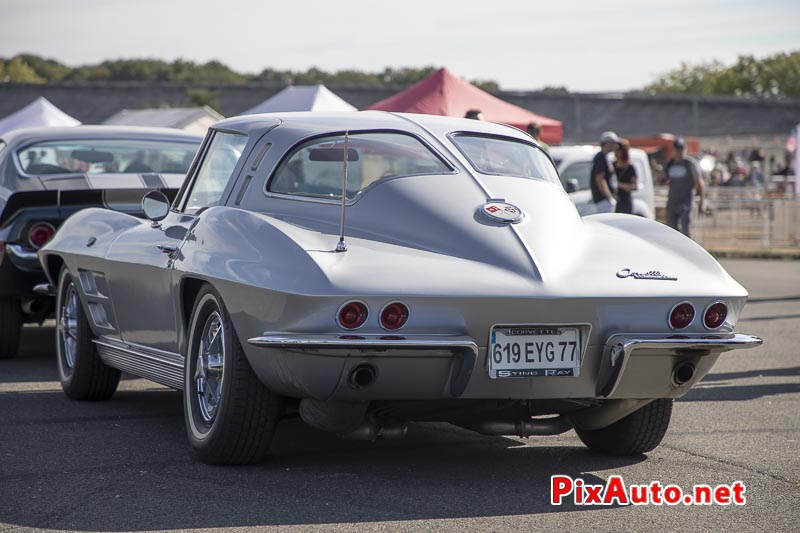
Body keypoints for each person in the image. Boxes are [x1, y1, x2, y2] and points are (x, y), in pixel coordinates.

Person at [665, 137, 705, 237]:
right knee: (671, 230)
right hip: (672, 201)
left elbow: (699, 182)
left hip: (685, 201)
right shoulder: (670, 164)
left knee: (685, 229)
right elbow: (664, 179)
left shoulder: (690, 164)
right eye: (677, 149)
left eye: (681, 149)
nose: (679, 152)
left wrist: (701, 201)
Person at [590, 131, 621, 213]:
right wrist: (608, 197)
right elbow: (600, 179)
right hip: (603, 200)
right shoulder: (600, 158)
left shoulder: (606, 157)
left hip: (606, 199)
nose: (616, 146)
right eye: (614, 143)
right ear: (608, 143)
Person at [614, 139, 637, 214]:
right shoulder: (611, 166)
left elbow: (634, 186)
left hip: (625, 201)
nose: (616, 153)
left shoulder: (630, 168)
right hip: (614, 200)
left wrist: (618, 184)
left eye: (618, 150)